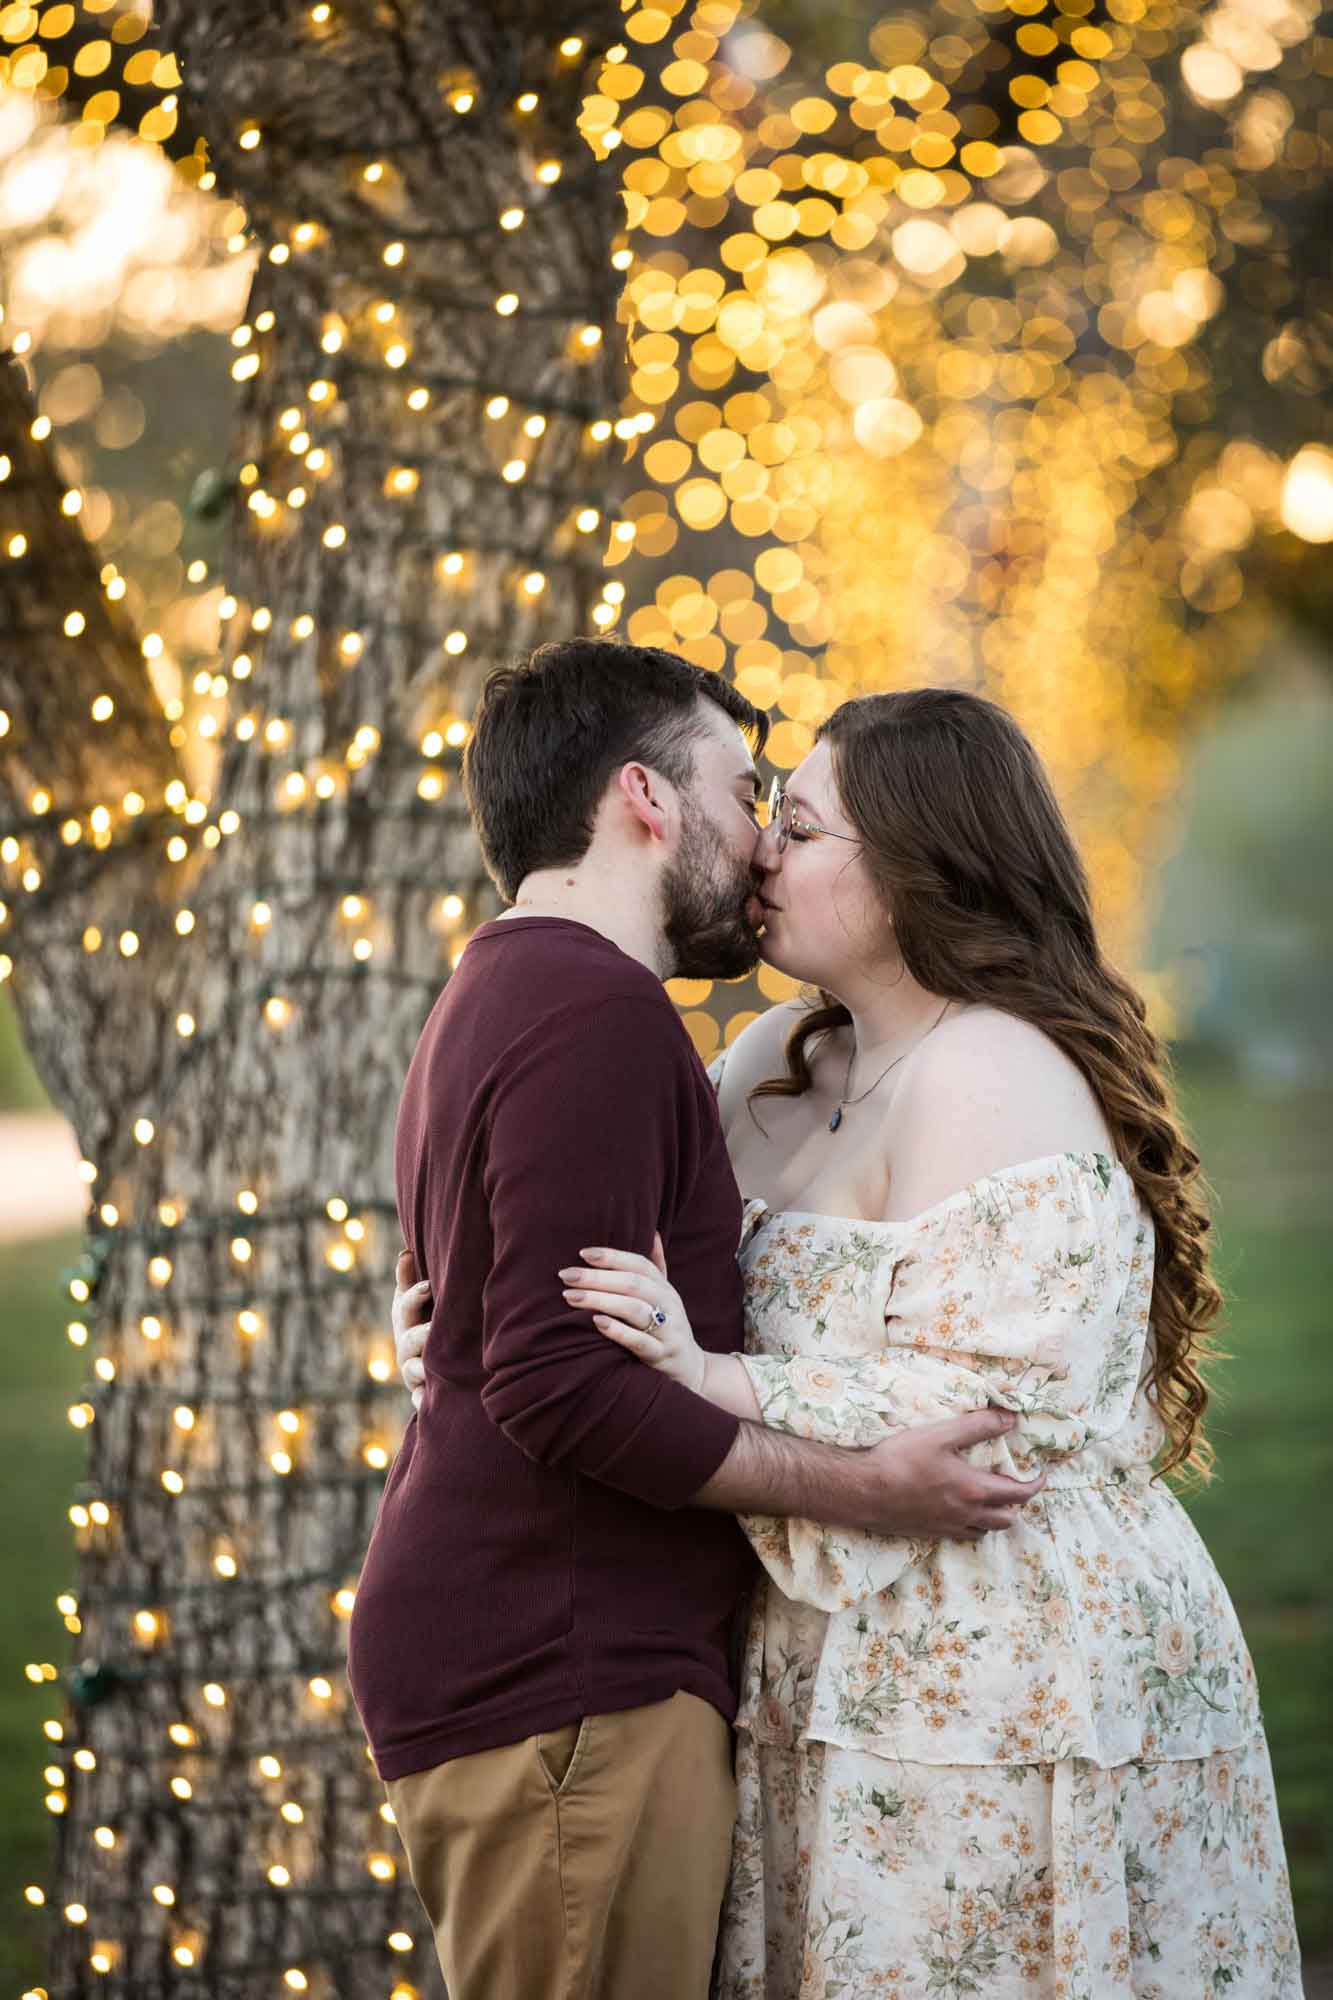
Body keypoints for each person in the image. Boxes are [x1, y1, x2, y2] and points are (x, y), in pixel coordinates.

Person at [395, 686, 1302, 1999]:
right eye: (768, 814)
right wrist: (464, 1330)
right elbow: (609, 1273)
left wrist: (713, 1379)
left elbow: (999, 1417)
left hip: (988, 1662)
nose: (762, 850)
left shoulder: (995, 1070)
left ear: (919, 864)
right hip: (807, 1646)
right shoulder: (765, 1063)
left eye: (803, 828)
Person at [349, 643, 1038, 2000]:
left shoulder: (507, 986)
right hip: (565, 1674)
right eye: (743, 793)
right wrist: (867, 1489)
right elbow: (558, 1386)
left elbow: (506, 1332)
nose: (760, 838)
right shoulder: (594, 1010)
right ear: (645, 799)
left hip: (543, 1654)